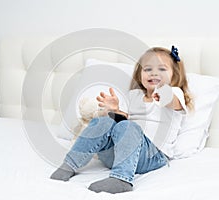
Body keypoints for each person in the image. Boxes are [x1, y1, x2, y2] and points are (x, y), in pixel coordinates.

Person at [50, 46, 193, 194]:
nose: (154, 73)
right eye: (148, 69)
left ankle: (122, 179)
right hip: (120, 154)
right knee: (104, 121)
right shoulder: (135, 96)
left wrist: (164, 93)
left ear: (174, 76)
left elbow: (173, 101)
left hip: (153, 157)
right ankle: (69, 165)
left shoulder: (175, 92)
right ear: (140, 74)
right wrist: (115, 110)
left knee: (129, 127)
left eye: (162, 69)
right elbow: (124, 123)